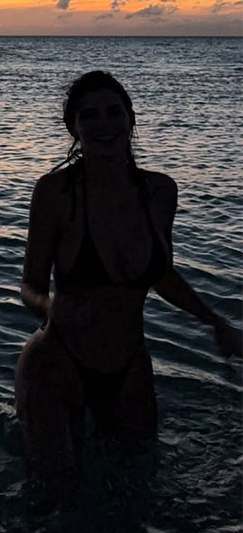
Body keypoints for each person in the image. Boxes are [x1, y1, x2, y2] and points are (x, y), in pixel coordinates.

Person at [14, 70, 241, 508]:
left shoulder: (160, 191)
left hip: (130, 365)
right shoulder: (56, 192)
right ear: (73, 128)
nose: (104, 124)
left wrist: (215, 321)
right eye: (89, 115)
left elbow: (161, 274)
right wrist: (50, 306)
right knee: (55, 501)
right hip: (57, 364)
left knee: (139, 494)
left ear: (131, 119)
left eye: (113, 112)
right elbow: (30, 285)